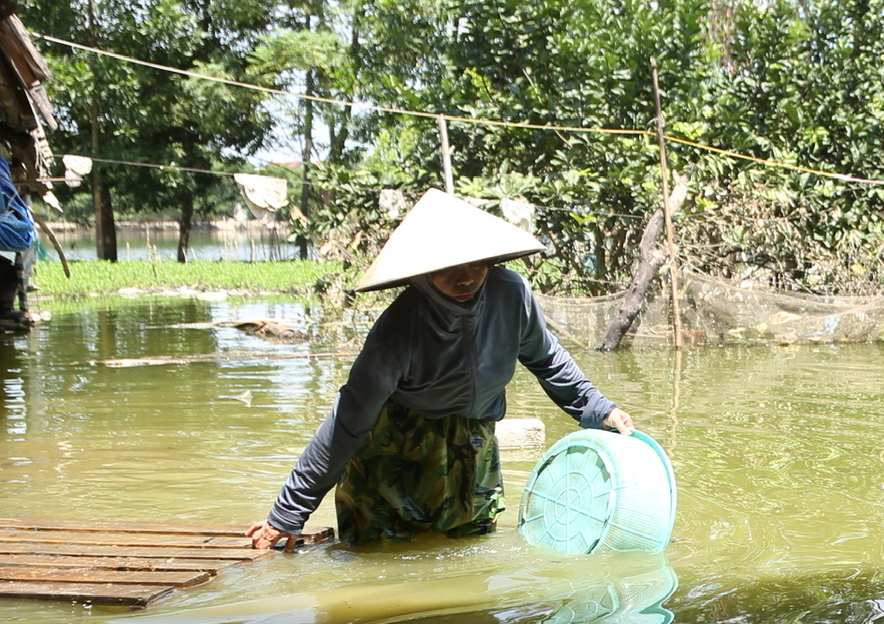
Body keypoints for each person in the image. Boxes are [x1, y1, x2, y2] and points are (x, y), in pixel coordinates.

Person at [248, 191, 633, 549]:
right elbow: (348, 421)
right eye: (447, 268)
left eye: (475, 263)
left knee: (470, 546)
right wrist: (289, 512)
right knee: (385, 549)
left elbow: (547, 359)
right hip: (398, 444)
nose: (464, 277)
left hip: (475, 437)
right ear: (421, 272)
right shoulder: (400, 328)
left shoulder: (512, 295)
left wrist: (599, 409)